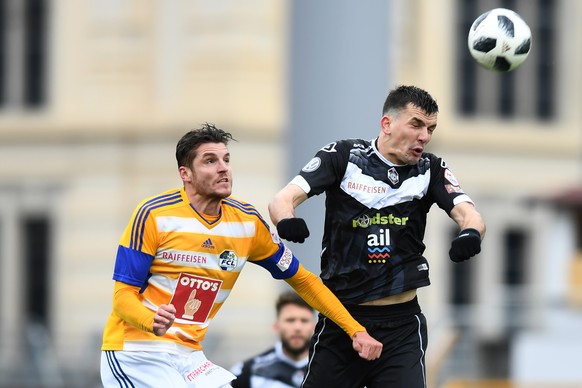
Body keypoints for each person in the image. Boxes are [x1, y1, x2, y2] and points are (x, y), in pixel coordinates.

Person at [100, 123, 382, 388]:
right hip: (135, 351)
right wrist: (151, 320)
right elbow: (122, 297)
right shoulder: (153, 215)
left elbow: (304, 280)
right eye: (210, 161)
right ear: (185, 174)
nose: (223, 169)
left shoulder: (247, 224)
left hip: (188, 354)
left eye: (226, 159)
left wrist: (355, 330)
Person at [268, 85, 486, 388]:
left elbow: (469, 213)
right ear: (387, 124)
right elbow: (281, 200)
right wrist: (287, 220)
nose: (425, 136)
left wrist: (471, 233)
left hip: (402, 326)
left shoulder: (431, 169)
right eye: (416, 124)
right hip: (343, 320)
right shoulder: (343, 156)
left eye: (431, 128)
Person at [230, 291, 315, 388]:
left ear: (314, 327)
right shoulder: (247, 371)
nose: (297, 327)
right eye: (290, 320)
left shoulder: (329, 368)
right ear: (276, 326)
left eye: (304, 321)